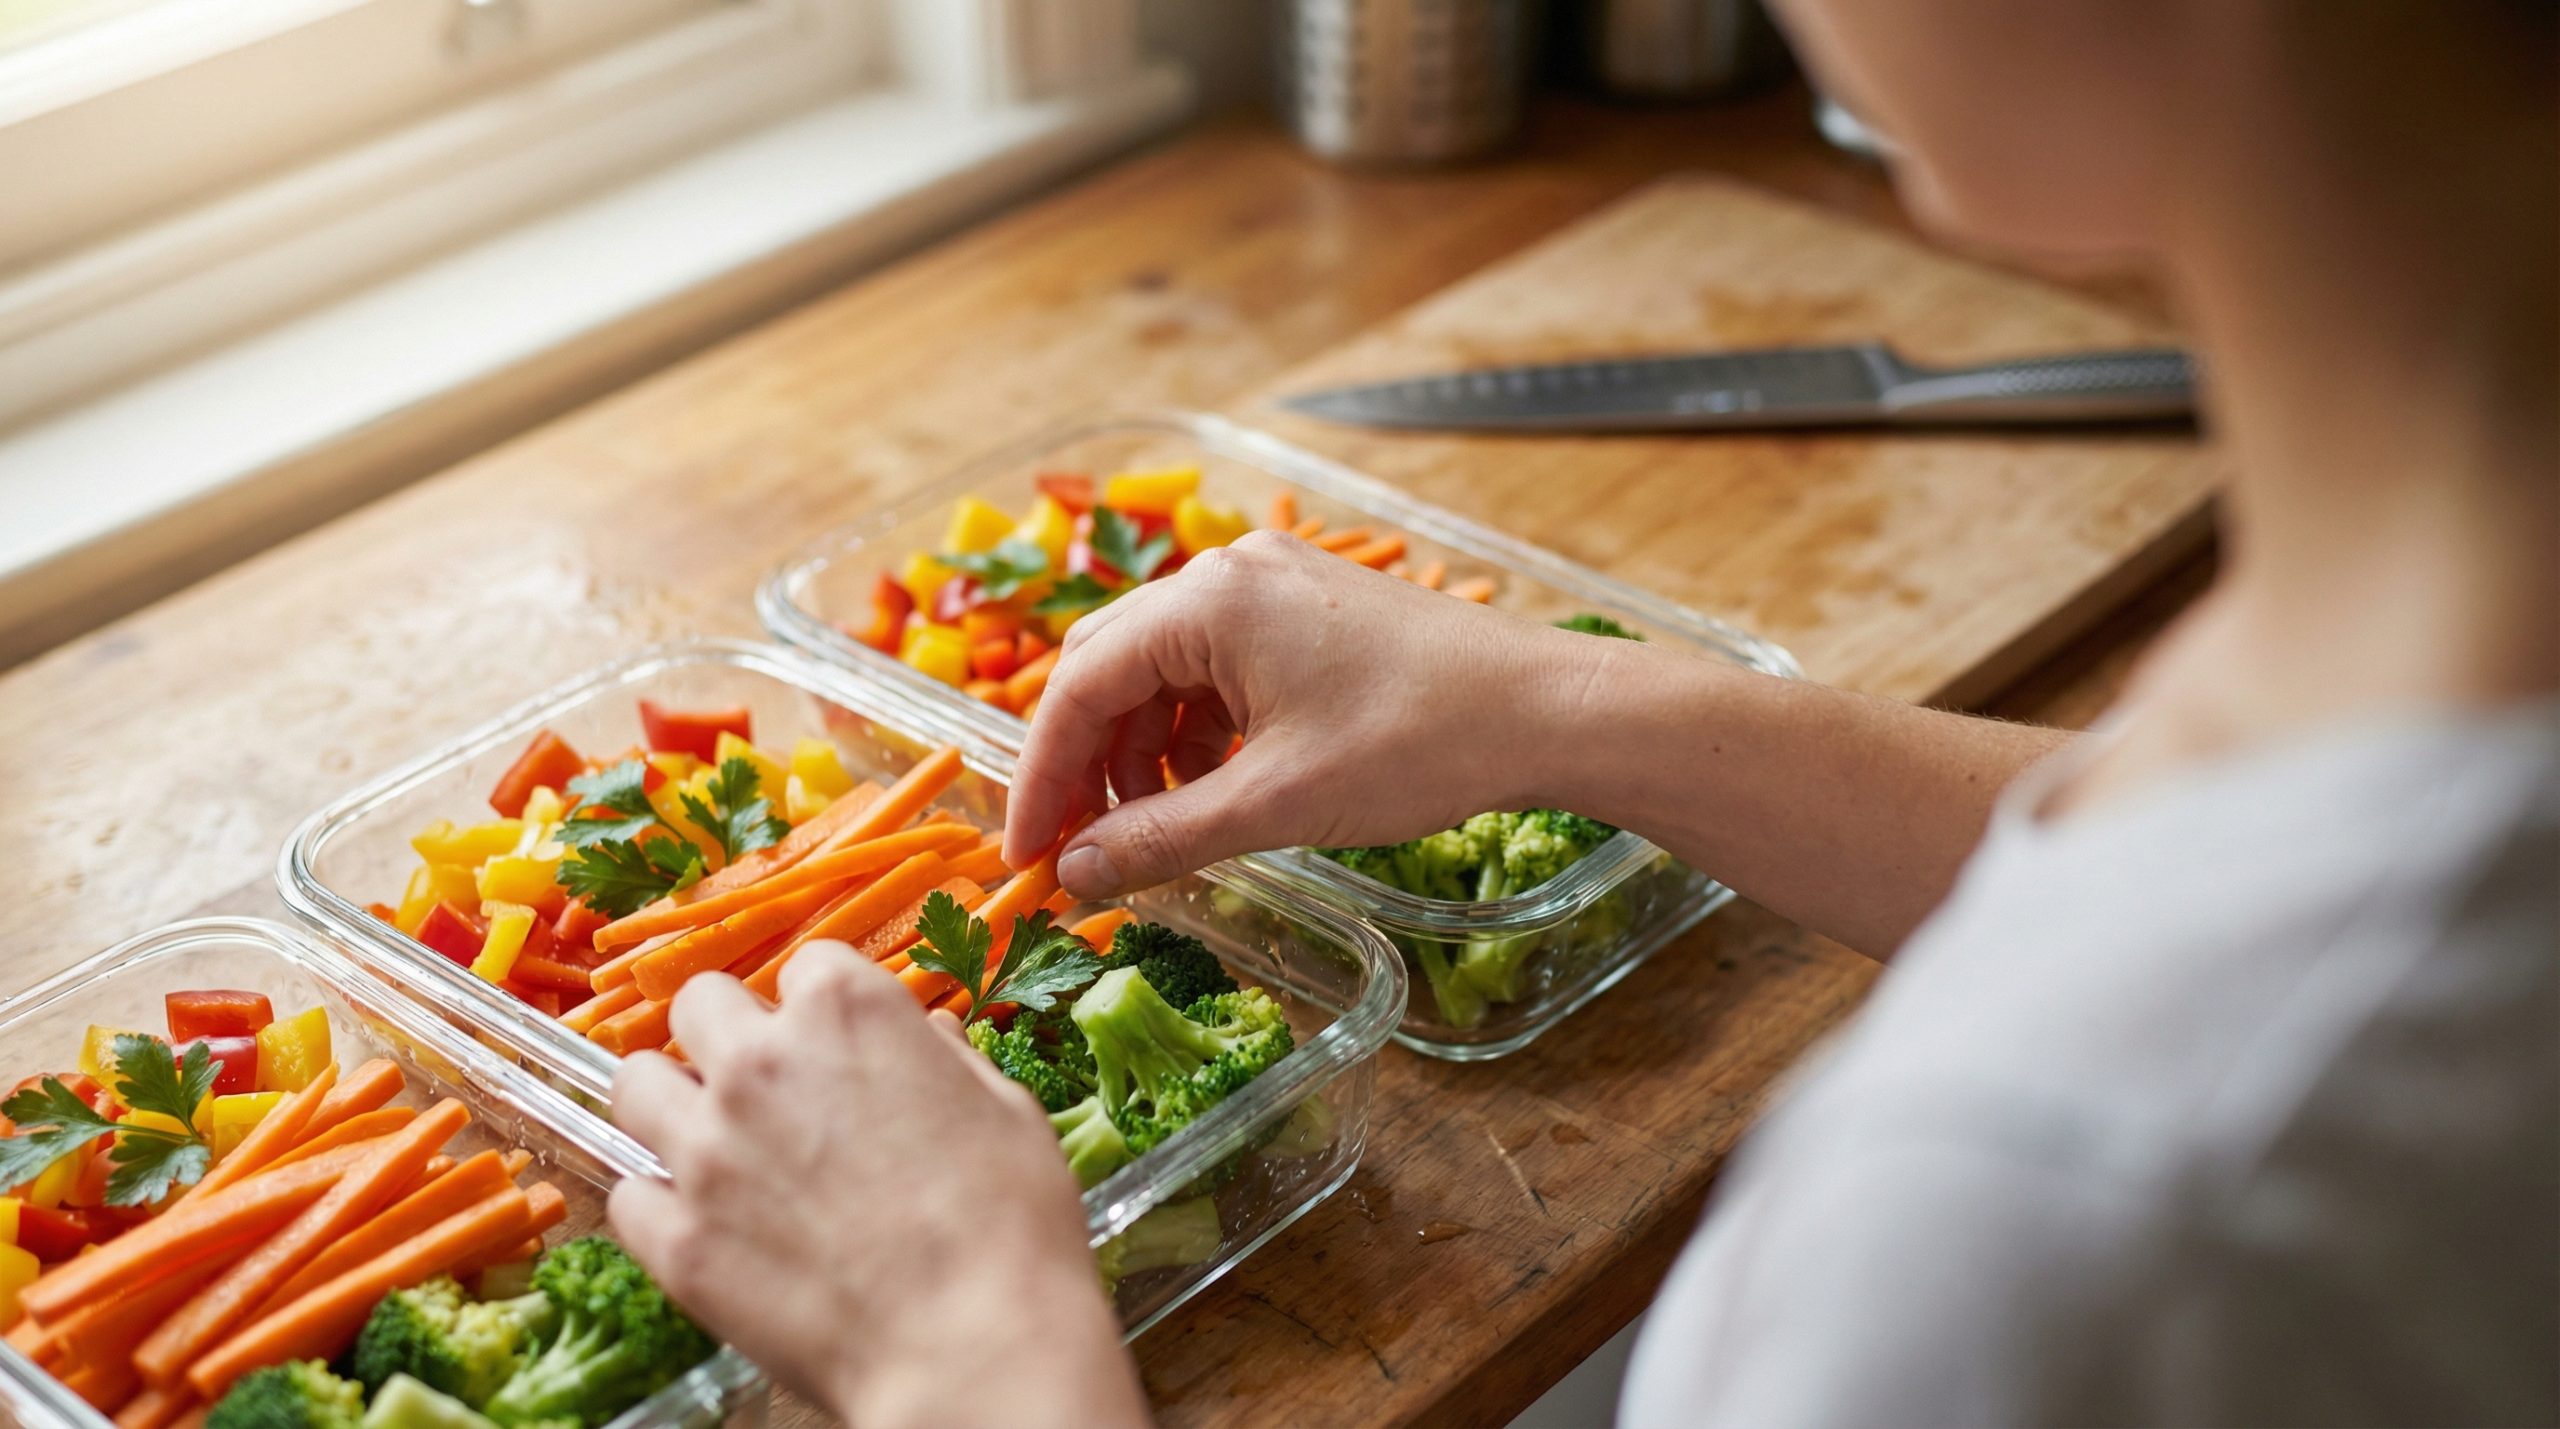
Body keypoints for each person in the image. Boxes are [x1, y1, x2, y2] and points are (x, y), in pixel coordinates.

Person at [604, 1, 2557, 1423]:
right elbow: (2218, 862)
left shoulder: (2041, 1224)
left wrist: (967, 1348)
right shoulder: (2418, 677)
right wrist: (1573, 709)